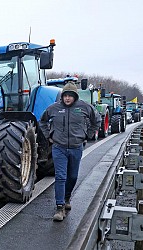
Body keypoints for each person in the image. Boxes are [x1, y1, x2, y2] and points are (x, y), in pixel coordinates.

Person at [39, 82, 101, 222]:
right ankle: (60, 207)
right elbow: (42, 121)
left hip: (76, 147)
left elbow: (96, 120)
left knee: (72, 176)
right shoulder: (54, 108)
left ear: (75, 97)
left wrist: (88, 135)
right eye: (65, 96)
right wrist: (49, 136)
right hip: (58, 147)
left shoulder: (84, 107)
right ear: (62, 97)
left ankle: (67, 198)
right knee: (60, 176)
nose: (67, 98)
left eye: (70, 96)